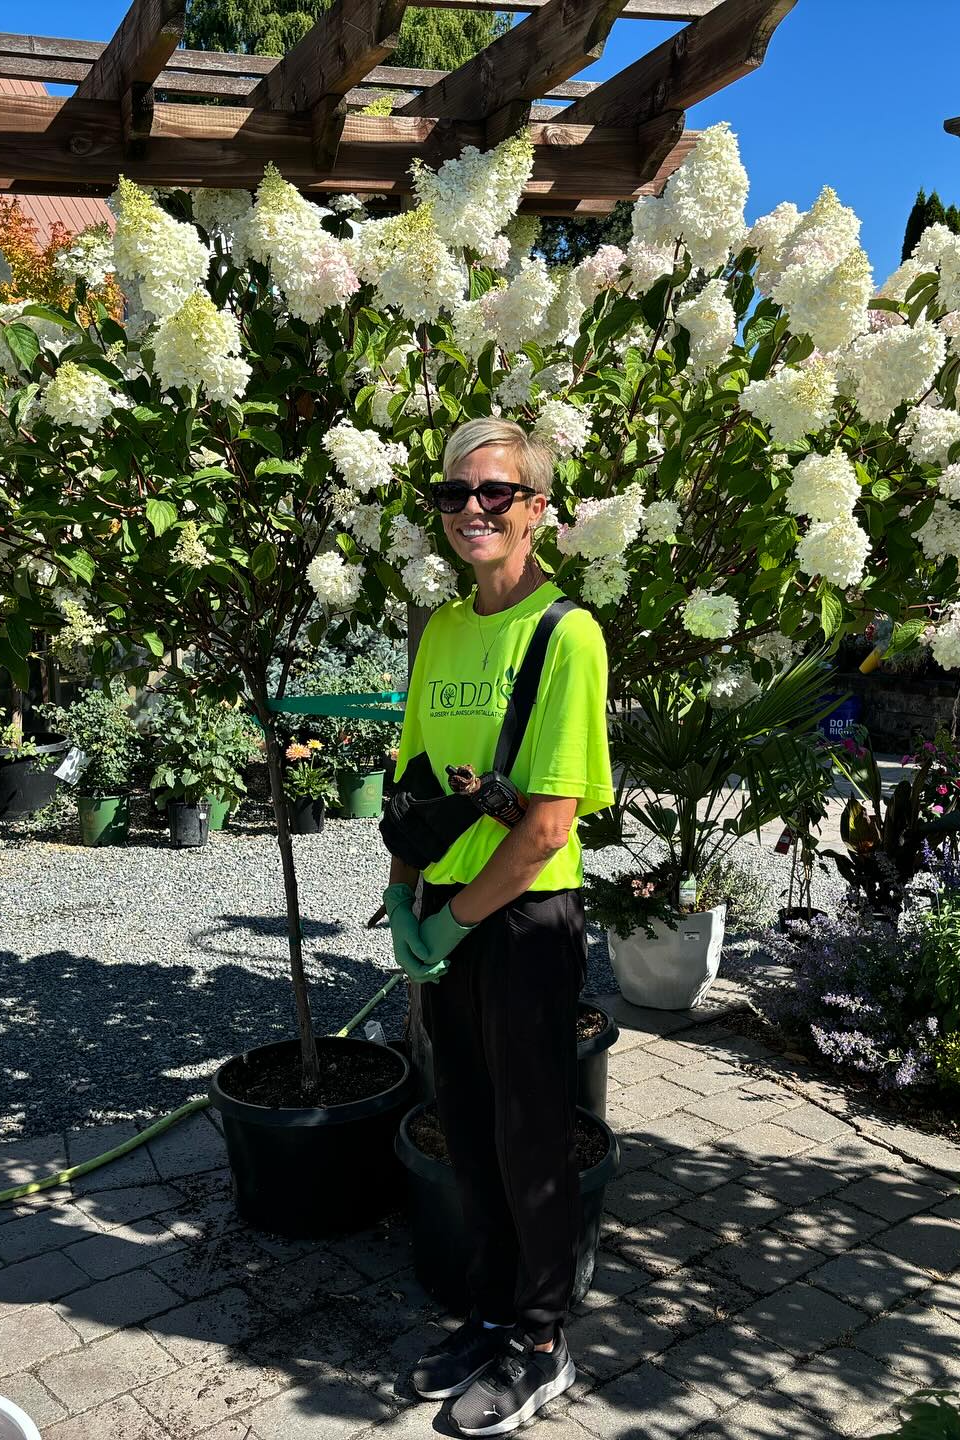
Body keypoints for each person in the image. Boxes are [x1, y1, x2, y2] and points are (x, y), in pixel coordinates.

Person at [381, 417, 614, 1436]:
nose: (472, 508)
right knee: (466, 1129)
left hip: (523, 926)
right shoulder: (439, 630)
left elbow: (549, 824)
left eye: (497, 492)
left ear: (537, 509)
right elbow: (414, 784)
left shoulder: (568, 634)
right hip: (448, 916)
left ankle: (541, 1341)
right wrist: (404, 897)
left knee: (530, 1140)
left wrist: (452, 927)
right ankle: (487, 1310)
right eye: (455, 492)